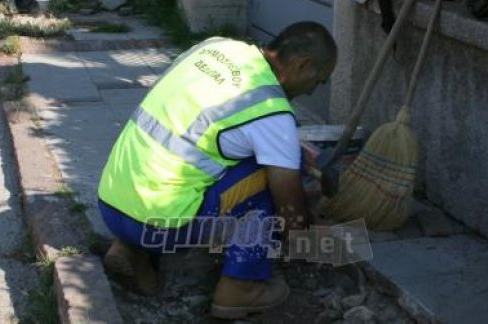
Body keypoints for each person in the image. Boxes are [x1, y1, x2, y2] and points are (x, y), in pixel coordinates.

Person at [97, 21, 337, 319]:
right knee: (268, 181)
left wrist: (290, 150)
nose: (315, 89)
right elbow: (291, 216)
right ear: (304, 65)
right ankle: (241, 287)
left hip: (111, 203)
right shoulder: (271, 109)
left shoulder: (216, 48)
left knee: (212, 162)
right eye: (319, 80)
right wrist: (314, 234)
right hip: (157, 223)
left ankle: (130, 250)